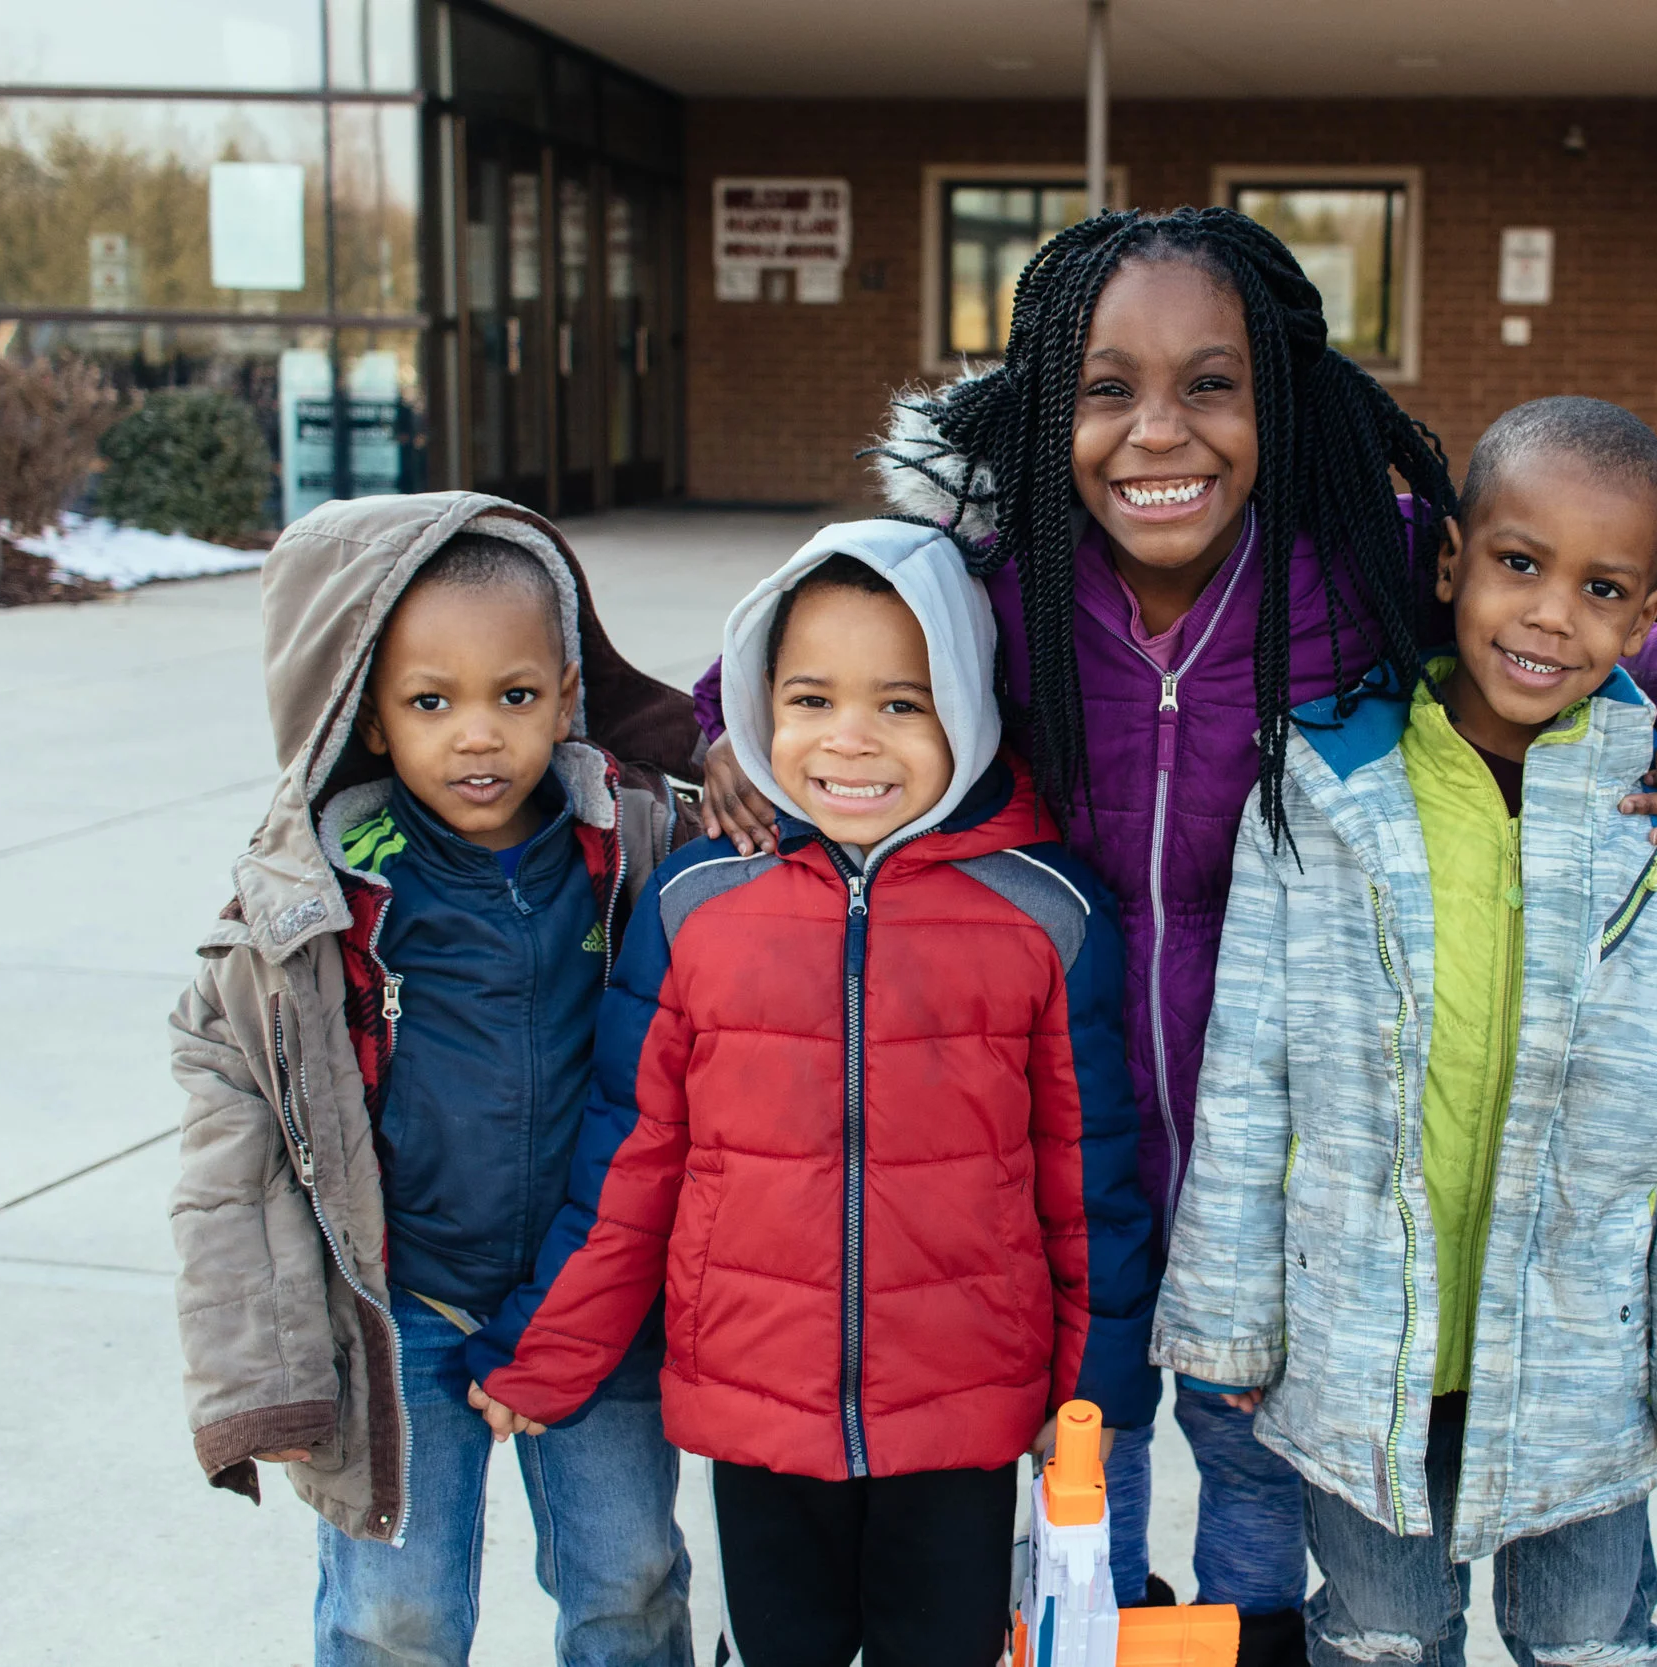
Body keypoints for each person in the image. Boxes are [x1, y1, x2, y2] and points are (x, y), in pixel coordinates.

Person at [692, 207, 1657, 1662]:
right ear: (1042, 405)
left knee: (1262, 1468)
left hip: (1289, 1151)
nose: (1159, 432)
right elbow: (799, 653)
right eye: (1107, 387)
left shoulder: (1353, 568)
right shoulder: (1000, 580)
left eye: (1210, 384)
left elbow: (1566, 611)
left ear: (1279, 401)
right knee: (1090, 1458)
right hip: (1062, 1129)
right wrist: (717, 732)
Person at [1151, 395, 1657, 1667]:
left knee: (1587, 1630)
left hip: (1577, 1346)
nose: (1552, 613)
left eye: (1602, 586)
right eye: (1518, 564)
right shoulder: (1324, 789)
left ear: (1647, 612)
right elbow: (1247, 1078)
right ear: (1451, 560)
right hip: (1361, 1332)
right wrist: (1229, 1319)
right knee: (1382, 1627)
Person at [464, 521, 1157, 1667]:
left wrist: (1089, 1391)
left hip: (964, 1408)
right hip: (756, 1398)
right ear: (755, 704)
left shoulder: (1045, 910)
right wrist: (550, 1348)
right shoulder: (698, 902)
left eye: (901, 703)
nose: (849, 741)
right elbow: (629, 1158)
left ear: (971, 710)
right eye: (809, 699)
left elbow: (1091, 1174)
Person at [167, 493, 704, 1667]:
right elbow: (227, 1138)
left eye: (514, 696)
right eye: (431, 701)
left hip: (590, 1297)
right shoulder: (317, 900)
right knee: (393, 1615)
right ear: (369, 716)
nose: (478, 734)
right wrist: (259, 1370)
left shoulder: (640, 846)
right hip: (400, 1307)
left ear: (567, 695)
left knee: (630, 1579)